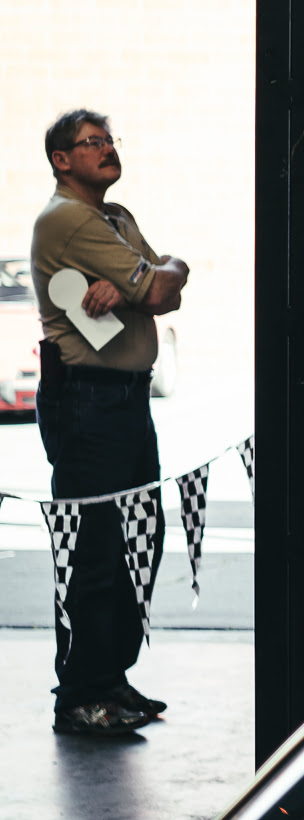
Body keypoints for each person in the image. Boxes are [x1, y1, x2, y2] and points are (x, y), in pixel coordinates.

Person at [31, 111, 190, 740]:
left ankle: (110, 679)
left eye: (108, 140)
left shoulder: (115, 219)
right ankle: (79, 697)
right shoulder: (65, 220)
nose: (105, 149)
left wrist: (157, 273)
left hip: (126, 402)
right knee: (93, 550)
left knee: (134, 543)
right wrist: (149, 281)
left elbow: (168, 284)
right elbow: (155, 291)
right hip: (88, 404)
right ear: (61, 160)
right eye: (90, 143)